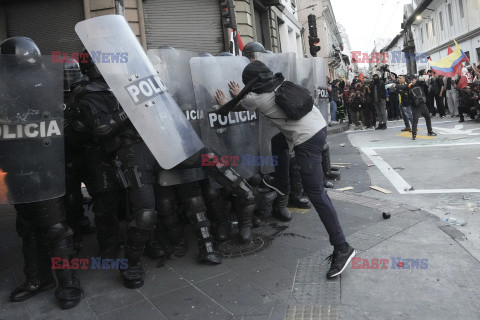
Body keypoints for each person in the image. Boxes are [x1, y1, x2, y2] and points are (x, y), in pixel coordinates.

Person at [214, 60, 355, 278]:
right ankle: (282, 183)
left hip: (306, 141)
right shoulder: (282, 84)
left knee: (317, 194)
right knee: (279, 141)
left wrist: (230, 99)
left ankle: (342, 247)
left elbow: (235, 107)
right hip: (318, 129)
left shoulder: (255, 98)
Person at [1, 36, 83, 309]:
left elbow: (64, 124)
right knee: (27, 228)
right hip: (18, 169)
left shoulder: (49, 84)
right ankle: (37, 278)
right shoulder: (4, 90)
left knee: (56, 228)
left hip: (46, 168)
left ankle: (69, 283)